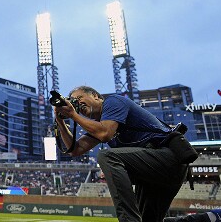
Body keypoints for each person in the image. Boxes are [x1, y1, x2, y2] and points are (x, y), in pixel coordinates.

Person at [54, 86, 193, 222]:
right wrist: (60, 121)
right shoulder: (100, 124)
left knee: (107, 156)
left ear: (95, 96)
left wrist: (73, 115)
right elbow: (75, 149)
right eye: (73, 101)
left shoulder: (113, 102)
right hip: (153, 169)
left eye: (79, 98)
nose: (76, 103)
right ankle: (206, 218)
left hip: (167, 157)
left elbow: (105, 133)